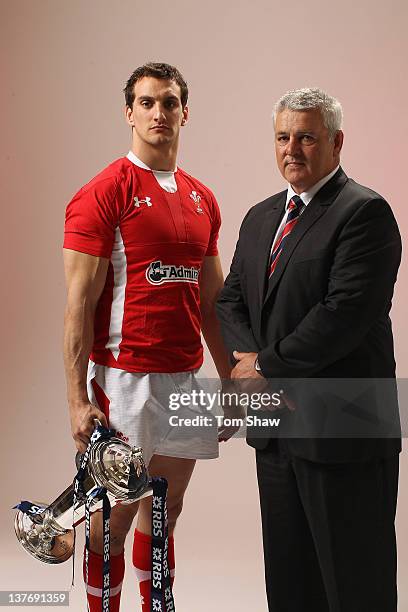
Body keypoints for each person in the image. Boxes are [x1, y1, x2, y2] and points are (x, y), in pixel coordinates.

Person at [216, 88, 402, 611]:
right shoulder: (260, 217)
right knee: (291, 586)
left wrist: (265, 367)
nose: (291, 148)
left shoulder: (364, 213)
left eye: (306, 137)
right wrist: (250, 363)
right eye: (282, 137)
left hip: (343, 432)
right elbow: (230, 299)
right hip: (277, 437)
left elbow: (343, 315)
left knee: (353, 587)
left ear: (337, 143)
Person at [63, 62, 231, 612]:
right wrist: (75, 398)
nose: (159, 113)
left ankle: (156, 604)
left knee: (168, 507)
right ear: (129, 112)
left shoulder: (203, 198)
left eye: (170, 102)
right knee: (111, 514)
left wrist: (230, 380)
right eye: (147, 102)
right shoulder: (103, 192)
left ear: (186, 112)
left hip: (184, 378)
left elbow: (212, 302)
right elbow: (78, 305)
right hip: (124, 378)